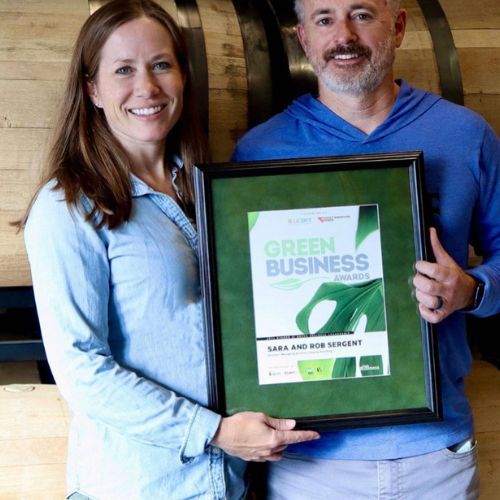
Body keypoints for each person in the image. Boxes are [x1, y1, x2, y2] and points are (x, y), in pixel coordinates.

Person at [21, 1, 319, 498]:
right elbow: (81, 368)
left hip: (227, 483)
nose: (147, 87)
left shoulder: (209, 191)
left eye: (161, 65)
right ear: (92, 89)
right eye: (123, 70)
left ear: (183, 76)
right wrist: (215, 432)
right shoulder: (69, 206)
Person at [232, 0, 500, 498]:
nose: (344, 36)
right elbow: (239, 305)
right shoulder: (258, 152)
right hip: (308, 461)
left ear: (397, 27)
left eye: (361, 14)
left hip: (435, 456)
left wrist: (473, 289)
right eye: (324, 19)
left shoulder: (465, 134)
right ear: (303, 37)